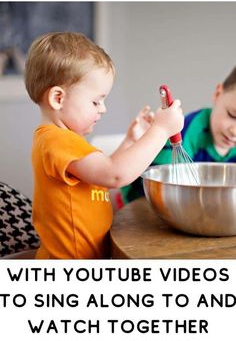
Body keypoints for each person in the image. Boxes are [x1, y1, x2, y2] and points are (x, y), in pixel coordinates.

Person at [24, 32, 183, 259]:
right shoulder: (57, 141)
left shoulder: (60, 140)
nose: (103, 108)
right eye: (96, 101)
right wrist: (161, 130)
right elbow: (115, 175)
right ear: (58, 98)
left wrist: (131, 141)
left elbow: (99, 177)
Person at [121, 66, 236, 205]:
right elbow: (164, 191)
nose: (234, 131)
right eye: (232, 115)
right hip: (140, 205)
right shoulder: (184, 132)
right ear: (218, 94)